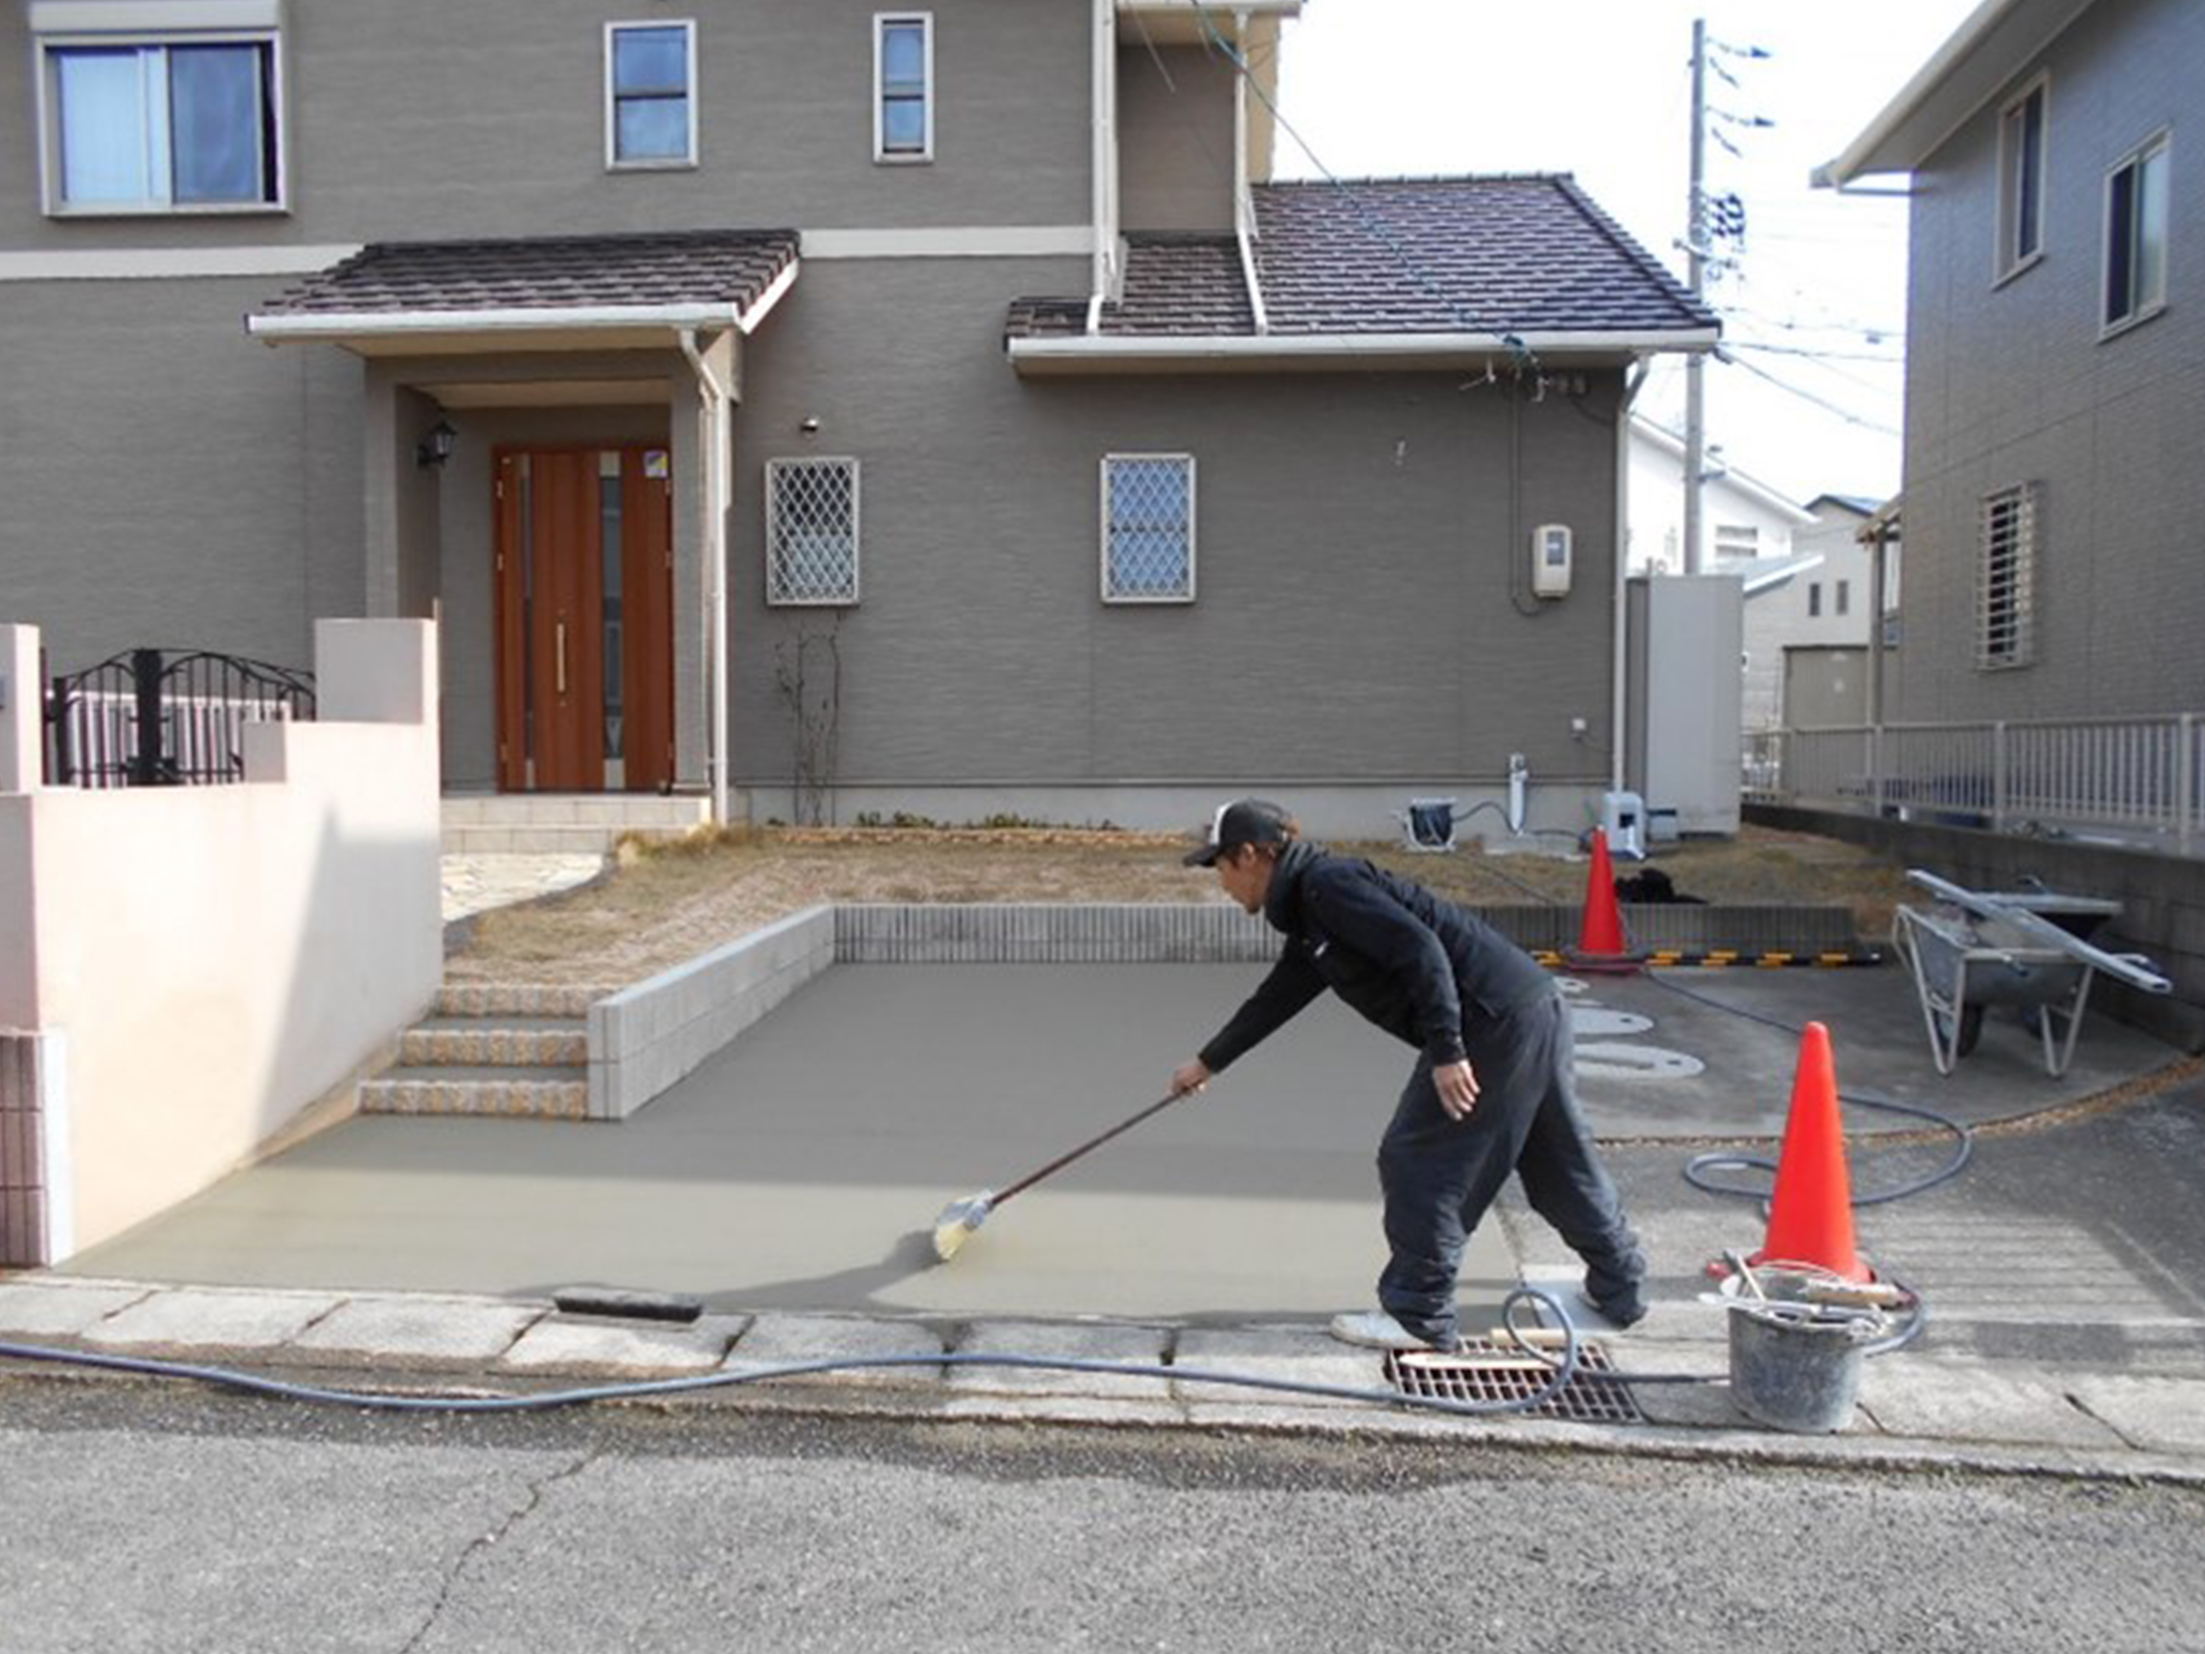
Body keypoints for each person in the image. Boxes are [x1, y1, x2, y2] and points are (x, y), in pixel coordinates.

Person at [1168, 798, 1646, 1353]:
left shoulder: (1329, 887)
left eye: (1219, 869)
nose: (1221, 884)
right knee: (1555, 1160)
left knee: (1418, 1156)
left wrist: (1448, 1050)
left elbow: (1424, 950)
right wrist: (1208, 1062)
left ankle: (1418, 1315)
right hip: (1529, 1006)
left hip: (1488, 1022)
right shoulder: (1311, 909)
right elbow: (1279, 997)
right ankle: (1621, 1287)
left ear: (1249, 856)